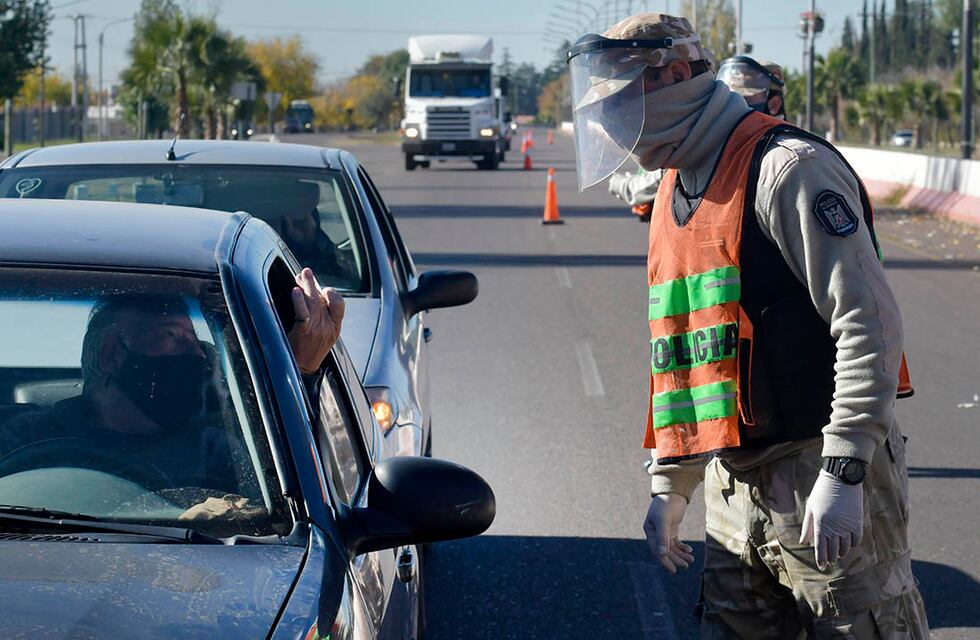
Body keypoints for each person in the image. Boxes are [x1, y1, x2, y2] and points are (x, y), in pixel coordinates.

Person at [567, 13, 927, 638]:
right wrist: (672, 483)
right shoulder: (674, 186)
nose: (614, 125)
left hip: (817, 465)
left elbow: (869, 322)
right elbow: (685, 350)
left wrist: (845, 468)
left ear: (676, 75)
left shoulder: (787, 169)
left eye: (622, 103)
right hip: (731, 486)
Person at [0, 268, 344, 519]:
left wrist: (301, 371)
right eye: (171, 336)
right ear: (112, 354)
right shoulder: (23, 437)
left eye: (194, 341)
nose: (196, 355)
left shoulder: (219, 450)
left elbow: (282, 514)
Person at [608, 56, 786, 220]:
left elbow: (643, 188)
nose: (733, 103)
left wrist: (617, 183)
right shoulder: (697, 146)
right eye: (729, 94)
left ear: (774, 104)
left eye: (744, 98)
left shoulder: (781, 161)